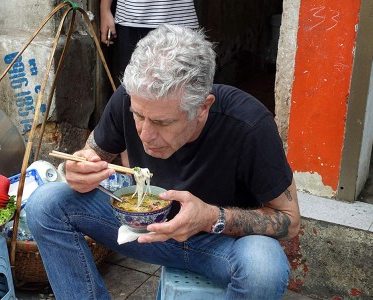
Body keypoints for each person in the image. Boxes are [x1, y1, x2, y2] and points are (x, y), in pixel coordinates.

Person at [26, 24, 300, 300]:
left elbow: (290, 220)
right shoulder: (130, 98)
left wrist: (211, 217)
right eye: (139, 116)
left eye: (162, 122)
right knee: (47, 203)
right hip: (147, 230)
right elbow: (89, 156)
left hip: (219, 245)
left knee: (264, 267)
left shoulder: (249, 125)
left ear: (203, 108)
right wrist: (77, 170)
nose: (145, 134)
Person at [100, 0, 199, 83]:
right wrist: (105, 8)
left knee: (184, 88)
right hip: (132, 19)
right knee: (130, 89)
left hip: (180, 19)